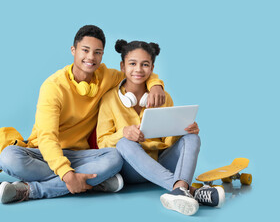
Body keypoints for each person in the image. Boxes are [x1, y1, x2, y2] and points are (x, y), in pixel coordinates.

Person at [0, 25, 167, 203]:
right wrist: (67, 175)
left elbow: (135, 73)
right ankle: (96, 181)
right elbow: (47, 137)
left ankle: (30, 190)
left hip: (81, 156)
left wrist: (156, 84)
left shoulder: (107, 77)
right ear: (73, 50)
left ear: (102, 55)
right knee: (8, 158)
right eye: (85, 50)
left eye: (97, 52)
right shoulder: (53, 87)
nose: (91, 57)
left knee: (114, 158)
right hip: (44, 153)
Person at [96, 39, 225, 215]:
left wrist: (183, 130)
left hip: (160, 163)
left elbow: (168, 141)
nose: (139, 69)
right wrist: (123, 133)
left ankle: (179, 189)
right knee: (124, 143)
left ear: (152, 68)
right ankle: (188, 190)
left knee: (192, 138)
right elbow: (102, 141)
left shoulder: (163, 97)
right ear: (122, 66)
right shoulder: (109, 100)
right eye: (132, 63)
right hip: (130, 170)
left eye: (145, 64)